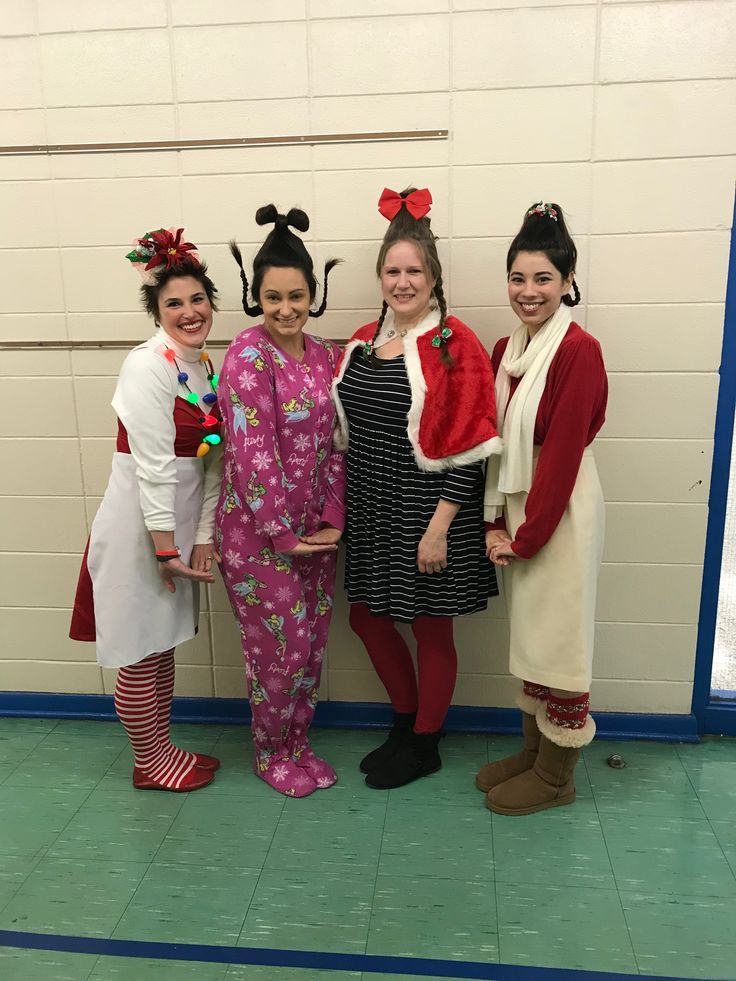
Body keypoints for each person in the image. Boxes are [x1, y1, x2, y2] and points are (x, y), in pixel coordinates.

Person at [332, 187, 500, 790]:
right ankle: (406, 723)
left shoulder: (457, 344)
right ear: (380, 275)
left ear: (433, 277)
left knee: (431, 624)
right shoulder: (360, 342)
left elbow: (474, 442)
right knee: (369, 619)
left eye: (415, 271)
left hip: (431, 511)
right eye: (393, 270)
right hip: (374, 508)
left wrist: (440, 527)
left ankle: (425, 741)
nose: (403, 282)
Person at [70, 228, 224, 792]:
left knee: (162, 646)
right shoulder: (147, 366)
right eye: (174, 304)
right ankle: (148, 762)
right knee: (139, 649)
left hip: (176, 531)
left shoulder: (203, 365)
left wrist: (202, 535)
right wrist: (164, 547)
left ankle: (161, 747)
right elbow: (155, 466)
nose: (189, 312)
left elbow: (213, 461)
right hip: (141, 530)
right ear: (156, 312)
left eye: (197, 299)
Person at [480, 201, 607, 815]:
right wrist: (494, 520)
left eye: (543, 279)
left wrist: (524, 536)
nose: (528, 292)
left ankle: (557, 777)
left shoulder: (578, 350)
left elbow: (559, 454)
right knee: (531, 632)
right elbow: (492, 441)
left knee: (558, 637)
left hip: (561, 511)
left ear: (568, 282)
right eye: (518, 278)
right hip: (520, 507)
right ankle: (534, 753)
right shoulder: (509, 348)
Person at [217, 205, 344, 798]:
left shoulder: (324, 355)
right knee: (278, 649)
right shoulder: (244, 356)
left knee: (311, 645)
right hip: (258, 539)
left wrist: (332, 518)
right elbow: (250, 453)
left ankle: (298, 743)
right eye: (274, 297)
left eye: (297, 295)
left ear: (313, 294)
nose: (286, 309)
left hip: (315, 534)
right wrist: (281, 532)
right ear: (256, 298)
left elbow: (336, 444)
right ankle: (270, 753)